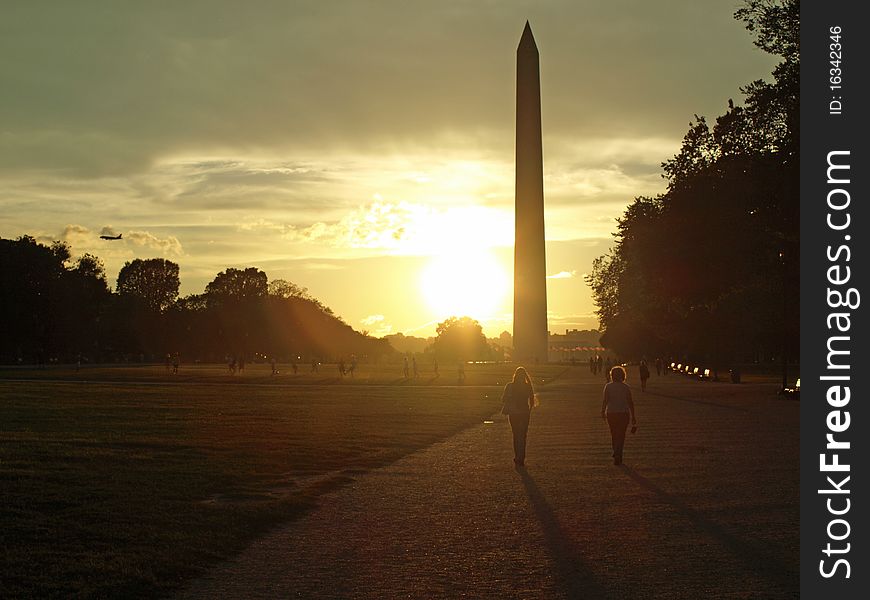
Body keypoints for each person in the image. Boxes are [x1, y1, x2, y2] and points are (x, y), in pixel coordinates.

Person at [500, 366, 538, 466]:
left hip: (514, 413)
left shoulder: (510, 386)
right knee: (523, 435)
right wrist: (528, 410)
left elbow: (503, 399)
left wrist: (510, 398)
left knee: (516, 435)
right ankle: (522, 457)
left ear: (515, 375)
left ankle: (517, 456)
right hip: (524, 413)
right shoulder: (527, 386)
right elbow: (532, 400)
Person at [601, 365, 637, 465]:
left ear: (612, 375)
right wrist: (633, 416)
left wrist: (602, 411)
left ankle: (616, 451)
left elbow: (605, 400)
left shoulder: (608, 386)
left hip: (611, 413)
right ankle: (618, 452)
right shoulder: (625, 387)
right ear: (622, 375)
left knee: (614, 434)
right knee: (621, 434)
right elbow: (630, 402)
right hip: (623, 413)